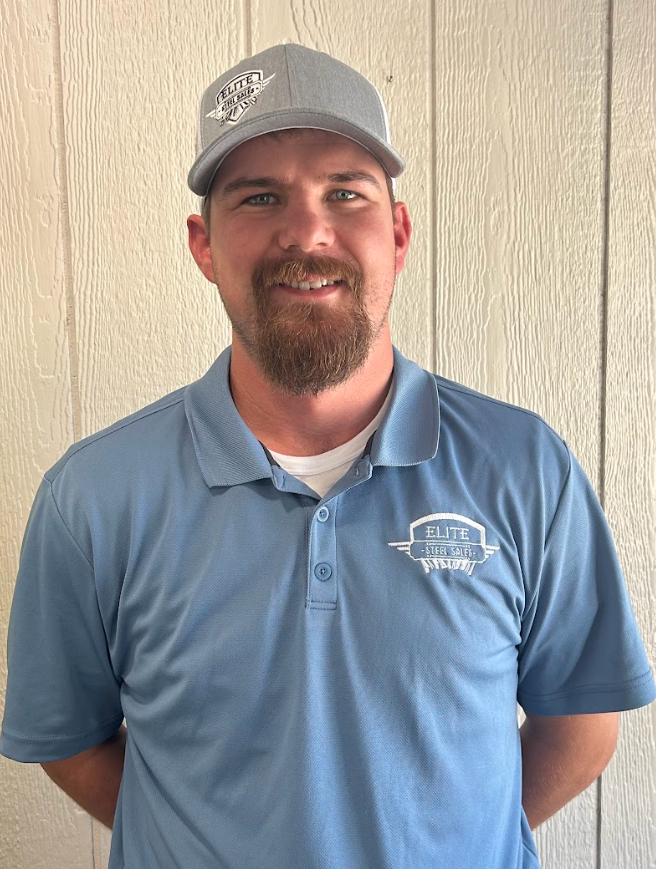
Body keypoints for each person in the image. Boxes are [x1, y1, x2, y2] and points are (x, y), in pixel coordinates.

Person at [1, 43, 654, 869]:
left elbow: (582, 723)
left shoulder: (525, 469)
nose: (307, 232)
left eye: (345, 192)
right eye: (259, 196)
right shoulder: (94, 497)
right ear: (204, 245)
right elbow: (69, 739)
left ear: (398, 232)